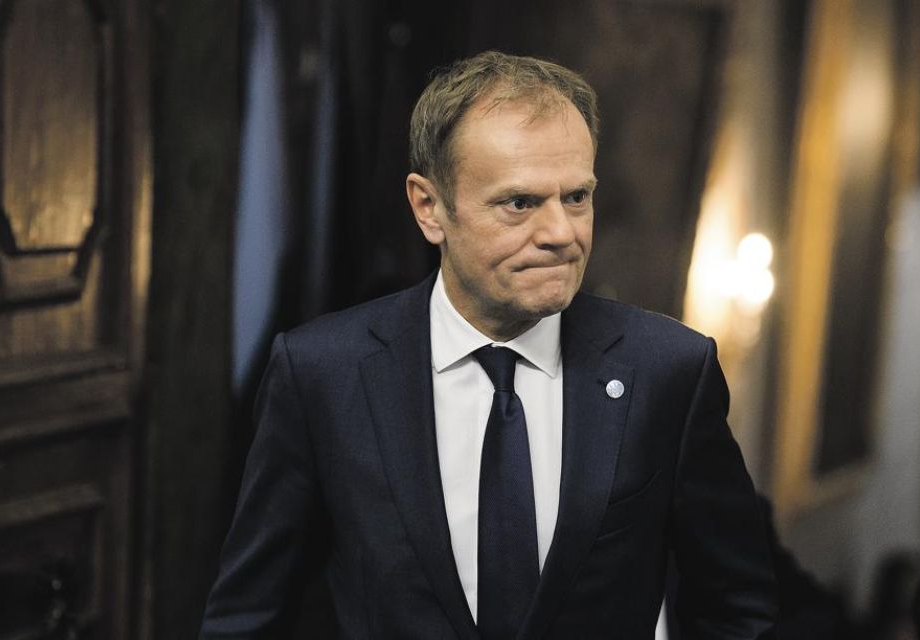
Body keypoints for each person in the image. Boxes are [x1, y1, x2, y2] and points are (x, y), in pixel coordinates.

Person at [201, 50, 777, 639]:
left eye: (576, 197)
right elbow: (248, 618)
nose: (561, 233)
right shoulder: (324, 374)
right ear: (429, 208)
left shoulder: (667, 371)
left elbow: (737, 611)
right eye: (519, 203)